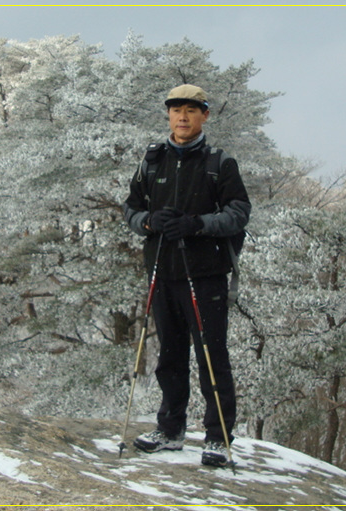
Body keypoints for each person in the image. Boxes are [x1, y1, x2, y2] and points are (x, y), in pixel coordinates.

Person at [122, 84, 251, 467]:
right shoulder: (152, 161)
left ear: (204, 115)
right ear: (169, 115)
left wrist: (197, 224)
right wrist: (148, 222)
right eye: (176, 109)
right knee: (170, 358)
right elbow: (130, 207)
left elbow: (239, 212)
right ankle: (170, 429)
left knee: (212, 356)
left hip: (206, 275)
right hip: (163, 273)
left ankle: (218, 436)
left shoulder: (219, 163)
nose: (183, 116)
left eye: (191, 110)